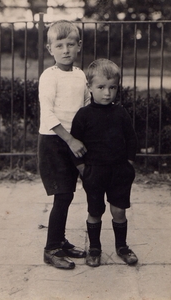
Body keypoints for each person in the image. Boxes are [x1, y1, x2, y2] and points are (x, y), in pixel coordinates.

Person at [70, 58, 138, 267]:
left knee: (119, 211)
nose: (107, 93)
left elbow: (131, 139)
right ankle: (95, 248)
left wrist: (128, 163)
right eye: (101, 87)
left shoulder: (121, 113)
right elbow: (74, 144)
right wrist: (83, 170)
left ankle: (122, 247)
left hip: (119, 172)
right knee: (95, 211)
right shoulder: (84, 115)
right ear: (89, 87)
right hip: (95, 173)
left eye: (112, 88)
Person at [38, 20, 91, 270]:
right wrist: (69, 140)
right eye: (59, 45)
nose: (66, 50)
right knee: (62, 196)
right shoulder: (49, 77)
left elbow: (87, 107)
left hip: (75, 142)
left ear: (79, 46)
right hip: (55, 143)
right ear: (50, 49)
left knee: (69, 195)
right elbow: (48, 115)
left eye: (71, 44)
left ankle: (61, 240)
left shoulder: (81, 75)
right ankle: (51, 249)